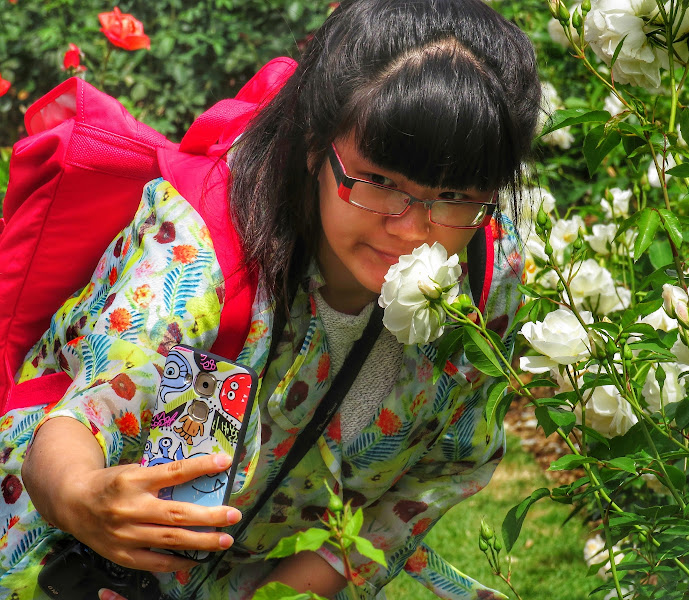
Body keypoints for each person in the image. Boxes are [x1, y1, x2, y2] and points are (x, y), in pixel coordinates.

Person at [0, 0, 541, 598]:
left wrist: (290, 591)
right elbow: (86, 414)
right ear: (316, 141)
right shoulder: (207, 245)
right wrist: (80, 498)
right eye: (381, 182)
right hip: (61, 553)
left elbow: (444, 464)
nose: (411, 228)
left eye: (454, 194)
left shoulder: (487, 274)